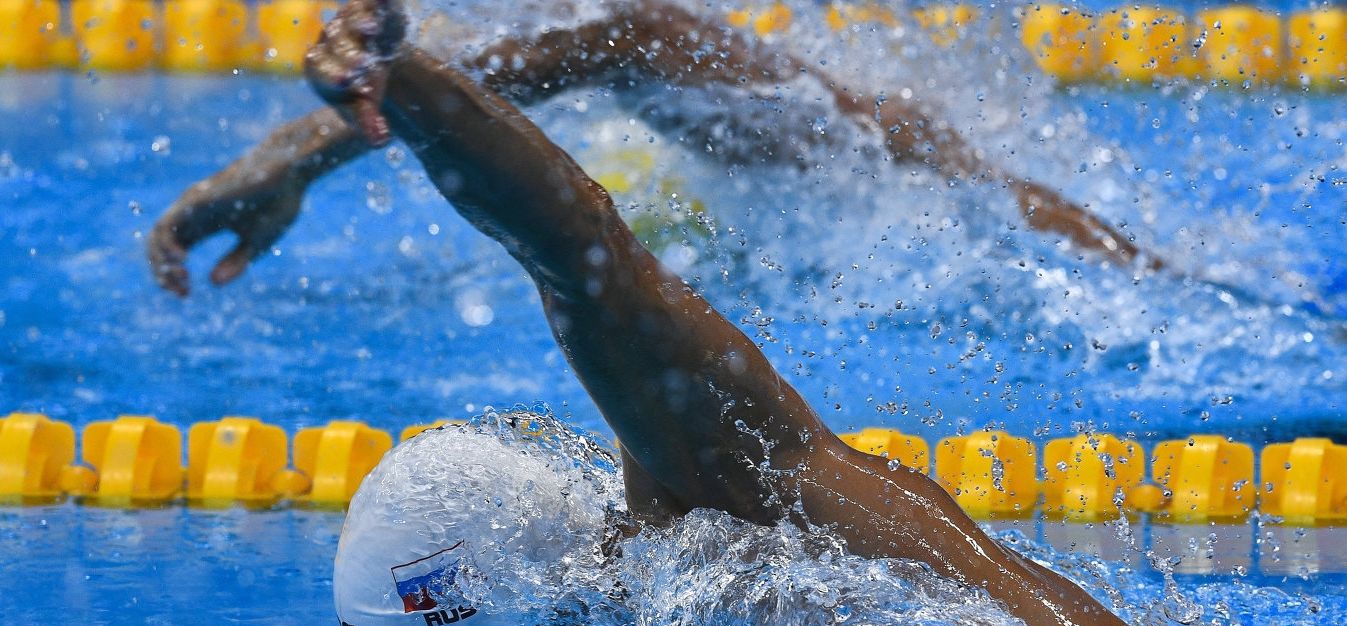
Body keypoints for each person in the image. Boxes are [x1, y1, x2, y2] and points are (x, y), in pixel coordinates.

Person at [174, 0, 1316, 626]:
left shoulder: (708, 526)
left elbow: (588, 233)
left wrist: (398, 92)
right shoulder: (698, 547)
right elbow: (578, 256)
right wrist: (401, 92)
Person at [146, 0, 1147, 296]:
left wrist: (299, 156)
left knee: (905, 146)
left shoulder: (648, 39)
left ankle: (1157, 276)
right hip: (730, 150)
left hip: (845, 167)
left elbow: (615, 39)